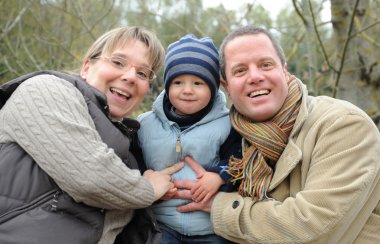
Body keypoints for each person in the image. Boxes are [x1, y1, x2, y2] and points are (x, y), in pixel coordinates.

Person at [173, 26, 380, 243]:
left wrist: (219, 205)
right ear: (226, 86)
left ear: (285, 71)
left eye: (265, 65)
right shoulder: (231, 140)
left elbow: (314, 229)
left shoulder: (342, 124)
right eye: (240, 70)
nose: (255, 76)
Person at [0, 26, 183, 244]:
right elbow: (90, 178)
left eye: (142, 73)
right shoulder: (46, 91)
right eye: (118, 62)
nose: (131, 76)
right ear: (87, 67)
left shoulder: (128, 152)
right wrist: (148, 189)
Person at [137, 34, 241, 244]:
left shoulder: (227, 124)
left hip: (210, 226)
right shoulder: (145, 124)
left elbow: (239, 157)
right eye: (177, 82)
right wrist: (149, 185)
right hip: (162, 224)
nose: (187, 90)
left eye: (198, 83)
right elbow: (134, 165)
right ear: (167, 86)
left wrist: (220, 176)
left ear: (213, 89)